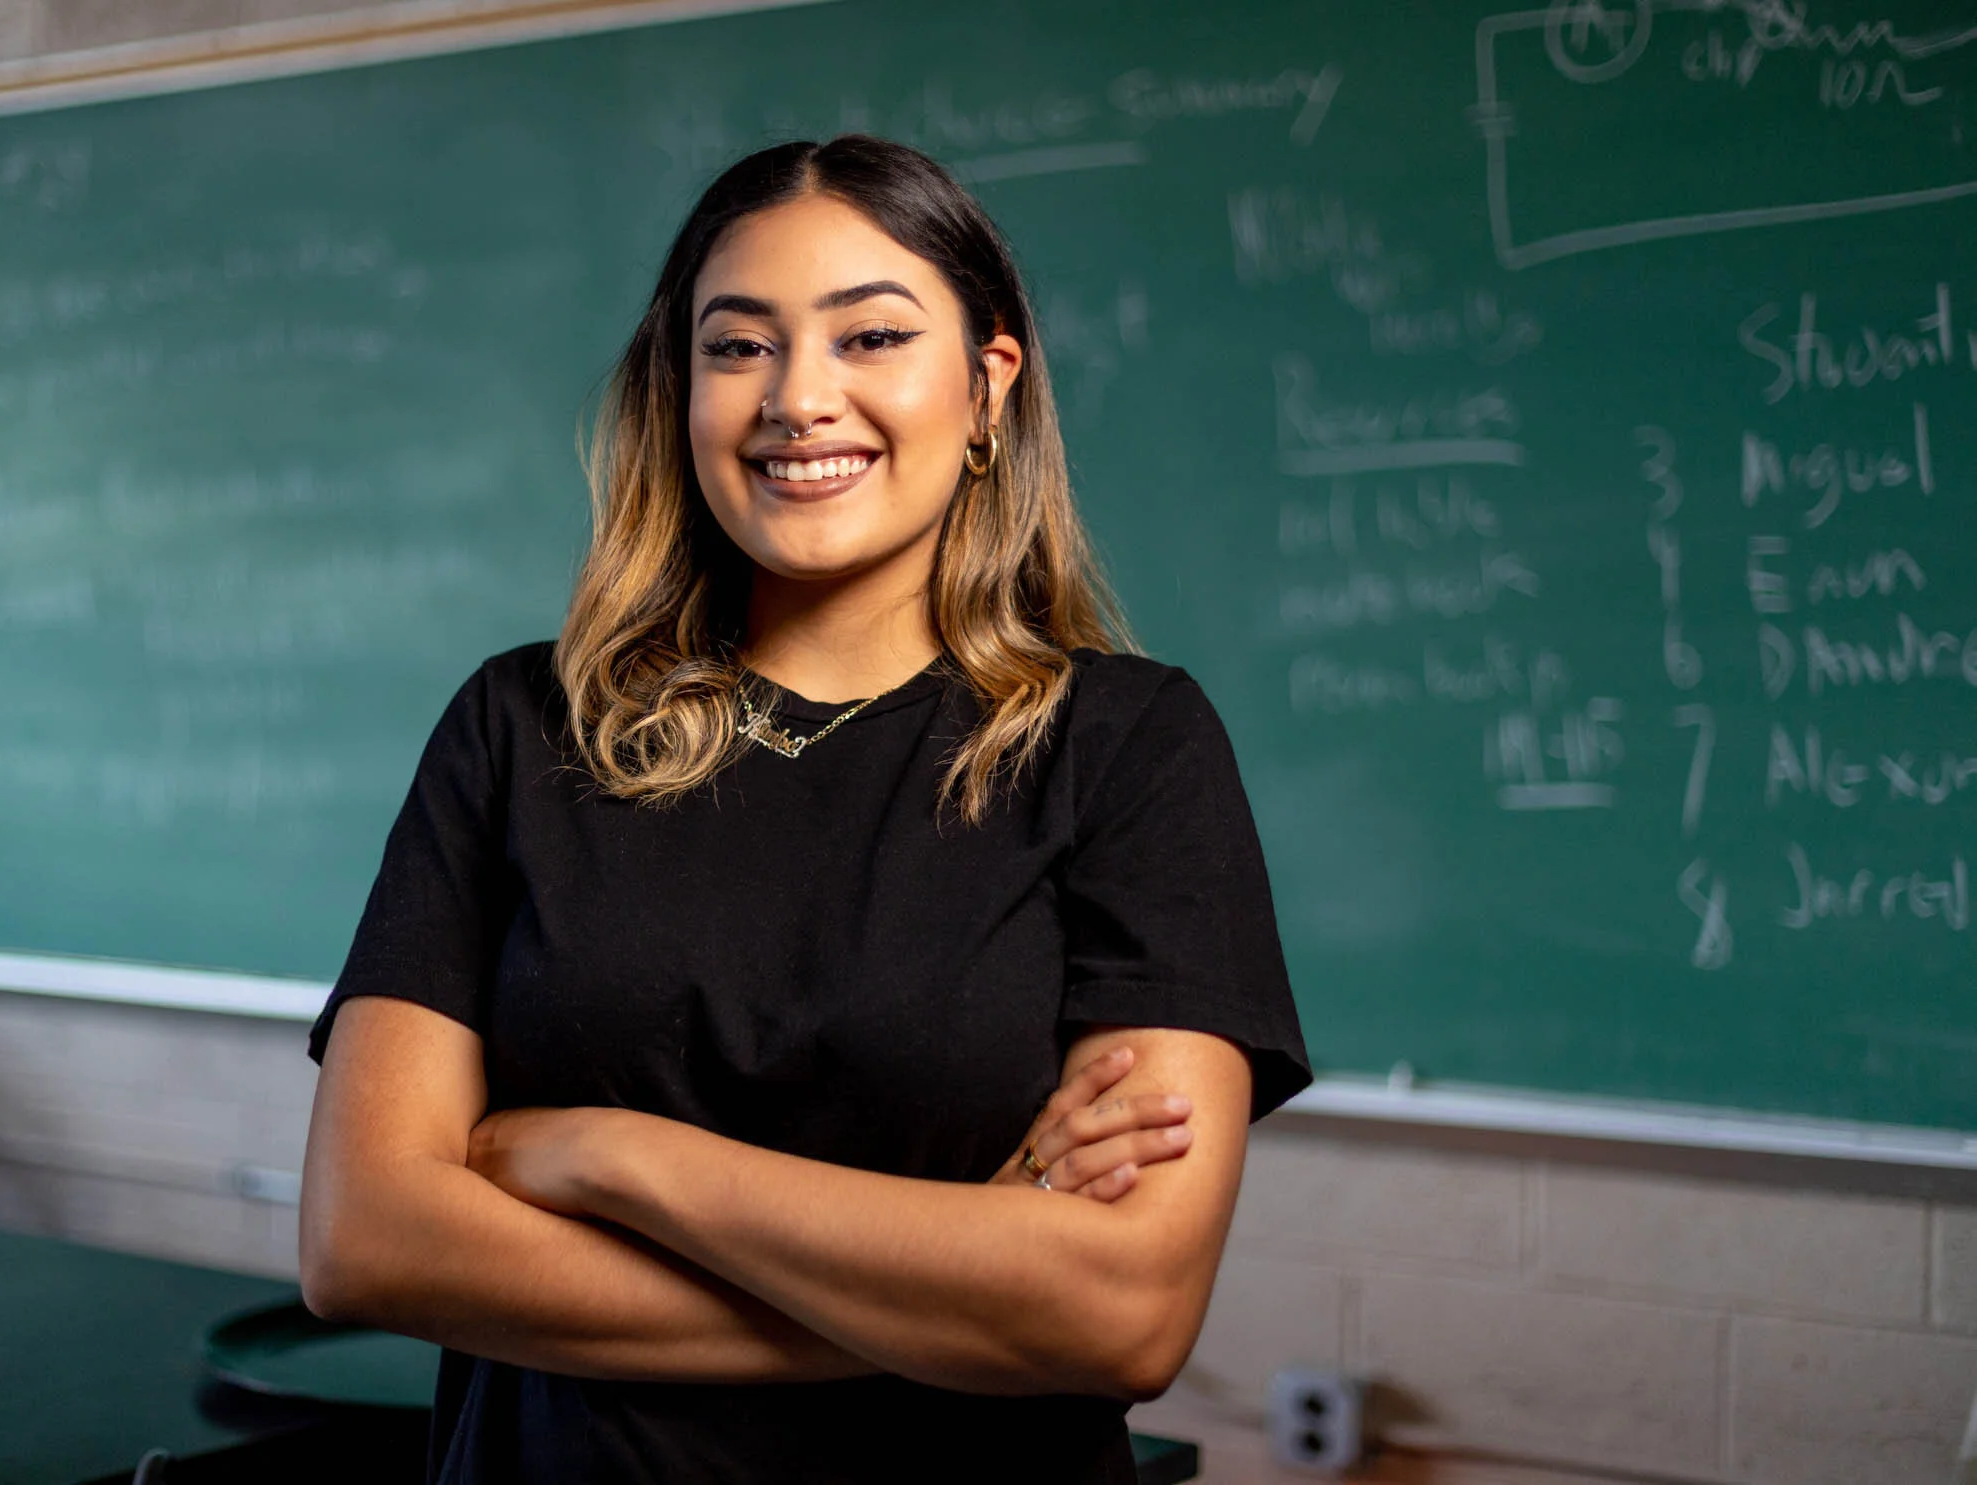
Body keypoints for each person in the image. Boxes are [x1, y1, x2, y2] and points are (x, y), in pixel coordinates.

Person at [297, 134, 1311, 1485]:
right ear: (680, 389)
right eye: (737, 348)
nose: (798, 399)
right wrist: (956, 1297)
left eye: (872, 336)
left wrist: (609, 1157)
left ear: (985, 385)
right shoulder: (519, 728)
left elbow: (1118, 1314)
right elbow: (364, 1238)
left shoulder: (1126, 748)